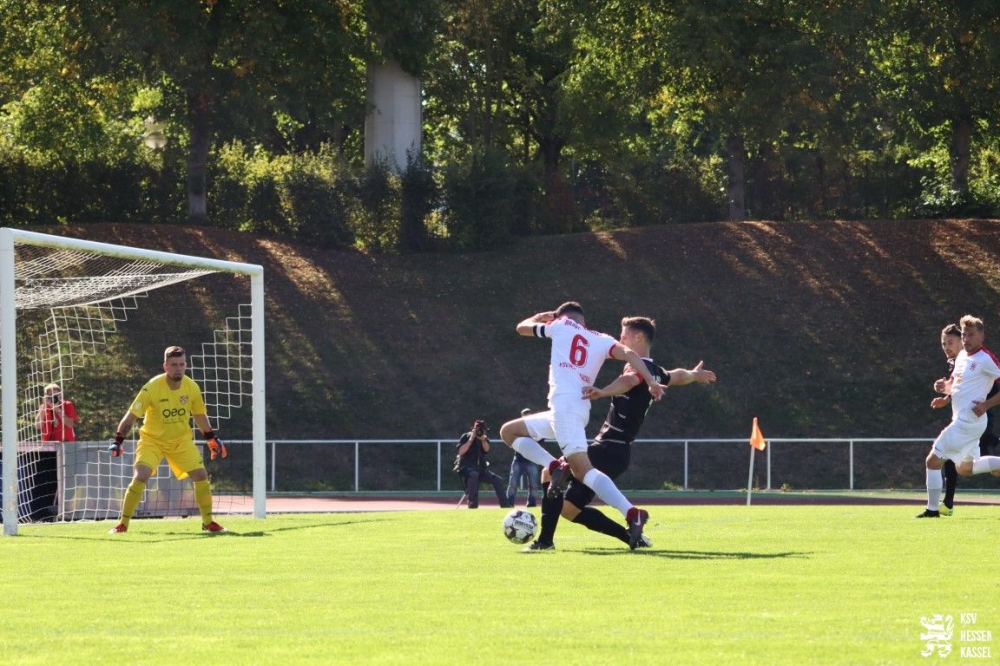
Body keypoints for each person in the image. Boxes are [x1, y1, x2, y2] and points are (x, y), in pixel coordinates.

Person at [524, 316, 716, 551]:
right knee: (568, 509)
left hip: (607, 447)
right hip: (618, 452)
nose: (620, 339)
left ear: (638, 337)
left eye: (624, 335)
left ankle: (545, 542)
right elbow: (677, 375)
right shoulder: (655, 372)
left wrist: (602, 392)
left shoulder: (635, 367)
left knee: (549, 471)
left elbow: (628, 380)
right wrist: (694, 375)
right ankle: (631, 538)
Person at [499, 302, 666, 549]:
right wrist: (651, 380)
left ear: (561, 317)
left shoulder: (560, 325)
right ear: (583, 321)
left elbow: (521, 328)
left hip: (565, 409)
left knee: (583, 471)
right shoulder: (601, 339)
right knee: (509, 431)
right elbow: (631, 355)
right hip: (571, 411)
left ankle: (632, 513)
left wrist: (540, 317)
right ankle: (554, 467)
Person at [106, 345, 228, 534]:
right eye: (173, 365)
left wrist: (211, 438)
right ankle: (122, 524)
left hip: (180, 441)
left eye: (181, 364)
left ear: (185, 365)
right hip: (152, 440)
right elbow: (130, 417)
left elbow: (199, 415)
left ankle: (208, 522)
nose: (178, 368)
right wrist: (118, 440)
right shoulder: (151, 388)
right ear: (165, 366)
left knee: (201, 475)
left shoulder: (192, 387)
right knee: (141, 476)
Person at [918, 315, 1000, 518]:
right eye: (964, 335)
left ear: (982, 336)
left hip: (968, 421)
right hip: (967, 420)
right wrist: (944, 395)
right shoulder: (962, 356)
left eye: (971, 335)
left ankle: (932, 510)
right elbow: (956, 384)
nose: (966, 339)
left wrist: (987, 404)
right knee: (965, 468)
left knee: (932, 461)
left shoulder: (985, 358)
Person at [455, 419, 510, 509]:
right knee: (474, 475)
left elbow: (486, 450)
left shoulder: (483, 438)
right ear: (473, 429)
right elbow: (461, 452)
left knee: (498, 480)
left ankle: (505, 505)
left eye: (482, 430)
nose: (479, 432)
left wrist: (483, 440)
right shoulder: (466, 436)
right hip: (466, 468)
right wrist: (471, 439)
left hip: (480, 469)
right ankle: (473, 505)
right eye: (478, 430)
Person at [506, 408, 543, 508]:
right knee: (513, 482)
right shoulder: (517, 427)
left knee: (533, 484)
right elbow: (511, 439)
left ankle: (531, 503)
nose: (527, 417)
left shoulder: (536, 428)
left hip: (532, 460)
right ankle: (509, 503)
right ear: (521, 417)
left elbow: (541, 440)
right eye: (524, 415)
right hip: (518, 459)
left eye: (528, 415)